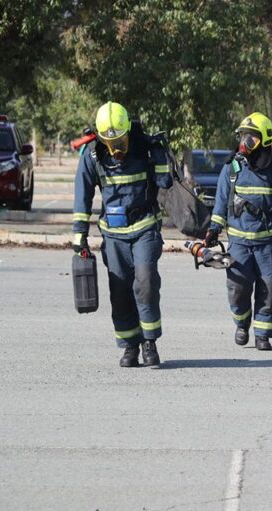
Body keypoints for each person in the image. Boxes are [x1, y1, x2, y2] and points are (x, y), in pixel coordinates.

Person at [72, 101, 173, 367]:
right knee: (119, 290)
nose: (116, 146)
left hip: (144, 228)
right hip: (113, 234)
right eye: (110, 141)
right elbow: (82, 195)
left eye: (120, 139)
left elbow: (165, 181)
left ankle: (149, 341)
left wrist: (160, 153)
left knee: (145, 281)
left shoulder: (145, 148)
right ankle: (130, 346)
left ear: (128, 131)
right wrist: (79, 234)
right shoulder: (92, 155)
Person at [205, 112, 272, 350]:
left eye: (251, 138)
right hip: (238, 244)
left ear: (264, 140)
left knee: (268, 290)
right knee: (237, 288)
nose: (245, 143)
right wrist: (213, 229)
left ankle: (263, 335)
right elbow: (220, 202)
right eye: (243, 137)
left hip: (267, 244)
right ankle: (242, 324)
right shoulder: (232, 168)